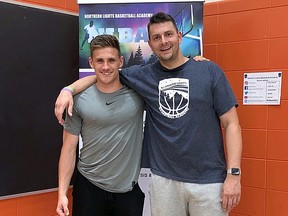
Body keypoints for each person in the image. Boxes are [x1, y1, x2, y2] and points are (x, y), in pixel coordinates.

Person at [55, 12, 242, 216]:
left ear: (179, 36)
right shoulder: (144, 76)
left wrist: (234, 175)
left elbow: (232, 124)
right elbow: (105, 75)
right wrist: (69, 90)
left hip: (207, 182)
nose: (163, 41)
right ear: (150, 44)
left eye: (168, 34)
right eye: (156, 37)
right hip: (163, 181)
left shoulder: (209, 71)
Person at [56, 34, 145, 216]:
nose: (105, 66)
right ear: (91, 63)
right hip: (89, 188)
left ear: (120, 61)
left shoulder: (138, 94)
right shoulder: (78, 100)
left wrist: (197, 63)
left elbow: (169, 71)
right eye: (100, 61)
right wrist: (62, 193)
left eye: (111, 60)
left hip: (127, 193)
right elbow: (69, 148)